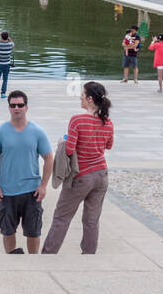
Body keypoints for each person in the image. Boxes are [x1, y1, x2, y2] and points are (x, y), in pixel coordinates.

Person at [42, 82, 114, 255]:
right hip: (101, 175)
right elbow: (109, 145)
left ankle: (48, 255)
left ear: (90, 99)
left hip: (81, 176)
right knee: (91, 220)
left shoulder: (77, 120)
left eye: (82, 95)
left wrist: (62, 142)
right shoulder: (108, 122)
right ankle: (88, 255)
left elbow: (69, 149)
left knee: (61, 218)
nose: (80, 97)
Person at [0, 90, 54, 254]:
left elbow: (49, 158)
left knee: (33, 232)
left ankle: (33, 261)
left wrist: (43, 186)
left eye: (20, 105)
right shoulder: (0, 132)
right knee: (7, 231)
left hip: (32, 191)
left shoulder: (37, 132)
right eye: (13, 105)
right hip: (7, 192)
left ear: (26, 107)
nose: (16, 108)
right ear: (9, 108)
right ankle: (12, 259)